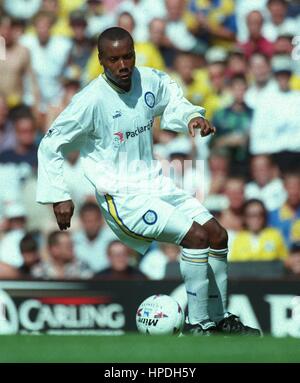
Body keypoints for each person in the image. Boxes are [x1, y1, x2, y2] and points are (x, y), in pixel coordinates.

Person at [36, 27, 260, 335]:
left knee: (218, 235)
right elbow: (50, 143)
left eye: (128, 57)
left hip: (155, 183)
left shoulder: (148, 79)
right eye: (114, 59)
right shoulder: (90, 100)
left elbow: (172, 99)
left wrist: (190, 117)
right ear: (101, 60)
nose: (123, 65)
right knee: (195, 238)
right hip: (123, 197)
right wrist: (58, 194)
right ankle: (198, 324)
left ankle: (220, 318)